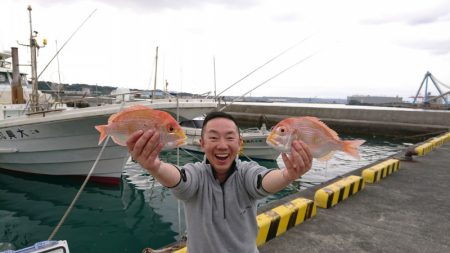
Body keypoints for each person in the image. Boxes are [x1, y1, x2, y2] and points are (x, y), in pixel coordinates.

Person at [126, 111, 312, 253]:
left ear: (239, 144)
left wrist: (287, 175)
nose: (222, 145)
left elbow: (262, 181)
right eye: (213, 137)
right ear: (202, 143)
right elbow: (181, 179)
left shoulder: (247, 172)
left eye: (230, 137)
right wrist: (156, 167)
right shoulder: (196, 174)